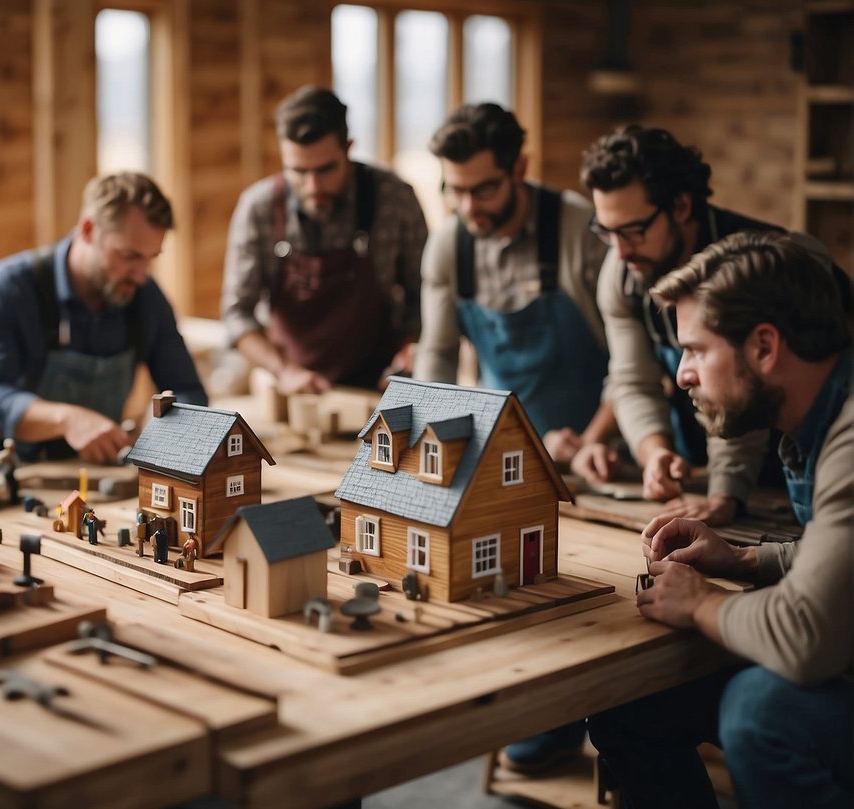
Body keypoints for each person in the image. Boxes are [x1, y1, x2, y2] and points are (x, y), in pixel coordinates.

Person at [588, 230, 852, 809]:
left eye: (696, 351)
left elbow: (809, 639)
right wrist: (742, 562)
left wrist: (702, 602)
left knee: (760, 712)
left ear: (764, 347)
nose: (681, 376)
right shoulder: (819, 418)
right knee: (630, 700)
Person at [577, 125, 851, 524]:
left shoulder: (757, 266)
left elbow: (747, 379)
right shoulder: (622, 275)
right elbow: (632, 380)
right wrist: (654, 453)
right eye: (606, 231)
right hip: (717, 457)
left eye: (633, 230)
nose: (619, 250)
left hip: (809, 459)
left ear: (682, 207)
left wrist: (726, 492)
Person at [414, 102, 613, 464]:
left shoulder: (580, 230)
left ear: (519, 169)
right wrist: (429, 441)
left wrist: (590, 443)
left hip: (601, 454)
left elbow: (632, 359)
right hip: (501, 455)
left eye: (484, 190)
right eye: (455, 191)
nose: (468, 207)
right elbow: (438, 355)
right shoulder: (447, 246)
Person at [0, 171, 207, 465]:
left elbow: (188, 390)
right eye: (129, 255)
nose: (141, 274)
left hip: (100, 475)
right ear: (89, 230)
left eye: (150, 258)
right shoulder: (8, 289)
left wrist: (163, 436)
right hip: (11, 475)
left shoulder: (145, 297)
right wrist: (67, 420)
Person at [222, 85, 427, 394]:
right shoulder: (259, 208)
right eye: (298, 171)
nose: (313, 185)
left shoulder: (394, 198)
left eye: (326, 169)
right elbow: (236, 315)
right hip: (292, 387)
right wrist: (285, 371)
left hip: (381, 384)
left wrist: (410, 349)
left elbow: (424, 295)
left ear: (348, 148)